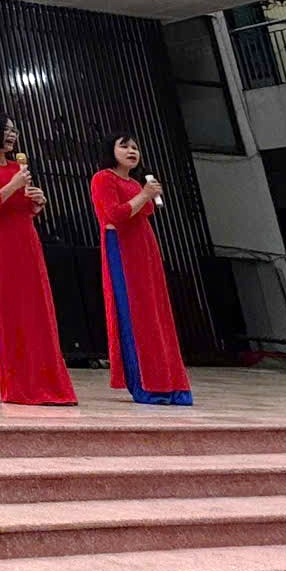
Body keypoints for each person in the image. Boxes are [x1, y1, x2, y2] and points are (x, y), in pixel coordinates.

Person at [0, 116, 76, 406]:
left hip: (27, 240)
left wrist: (37, 203)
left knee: (38, 310)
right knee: (11, 311)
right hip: (0, 244)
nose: (12, 135)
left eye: (13, 130)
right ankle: (20, 387)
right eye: (6, 130)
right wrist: (13, 185)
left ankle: (50, 384)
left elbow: (22, 207)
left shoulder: (17, 168)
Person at [91, 134, 193, 406]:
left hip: (144, 246)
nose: (131, 151)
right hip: (121, 247)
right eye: (124, 146)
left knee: (155, 311)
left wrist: (146, 194)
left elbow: (145, 210)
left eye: (135, 146)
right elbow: (114, 215)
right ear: (110, 150)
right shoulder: (103, 178)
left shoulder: (136, 182)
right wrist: (144, 195)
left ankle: (168, 380)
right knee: (134, 311)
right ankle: (145, 382)